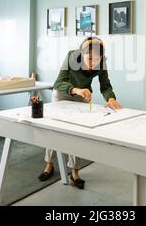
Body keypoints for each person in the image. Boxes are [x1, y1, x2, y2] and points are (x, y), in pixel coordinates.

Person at [38, 37, 122, 189]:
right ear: (81, 54)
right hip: (64, 93)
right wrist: (75, 90)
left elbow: (105, 86)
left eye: (97, 59)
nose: (93, 63)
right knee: (54, 129)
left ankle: (75, 172)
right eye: (89, 58)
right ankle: (49, 164)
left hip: (83, 95)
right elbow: (58, 83)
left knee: (77, 132)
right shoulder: (72, 57)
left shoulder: (101, 63)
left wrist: (111, 98)